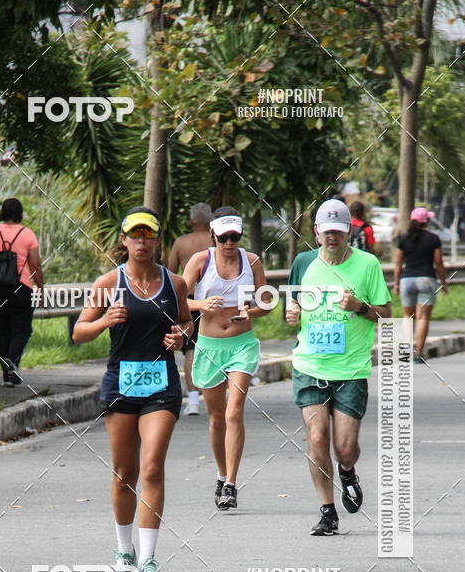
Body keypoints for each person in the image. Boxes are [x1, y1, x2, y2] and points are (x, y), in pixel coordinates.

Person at [73, 207, 192, 572]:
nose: (141, 241)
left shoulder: (174, 283)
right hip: (120, 386)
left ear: (157, 239)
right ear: (123, 240)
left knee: (152, 467)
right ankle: (124, 553)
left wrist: (182, 336)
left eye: (148, 235)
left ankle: (148, 561)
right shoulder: (109, 283)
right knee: (124, 473)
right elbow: (79, 332)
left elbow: (187, 322)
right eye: (135, 235)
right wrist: (104, 321)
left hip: (161, 387)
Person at [286, 198, 392, 536]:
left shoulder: (367, 264)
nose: (332, 237)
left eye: (339, 232)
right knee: (317, 437)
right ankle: (327, 511)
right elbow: (293, 303)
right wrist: (292, 314)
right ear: (316, 232)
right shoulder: (303, 262)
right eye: (327, 231)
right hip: (310, 365)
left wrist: (360, 306)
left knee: (344, 449)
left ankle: (347, 471)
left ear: (348, 233)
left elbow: (386, 315)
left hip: (351, 370)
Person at [183, 206, 271, 510]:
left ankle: (231, 484)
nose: (230, 243)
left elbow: (267, 301)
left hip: (241, 345)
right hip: (209, 346)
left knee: (235, 412)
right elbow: (179, 299)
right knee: (217, 418)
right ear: (213, 235)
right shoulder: (200, 261)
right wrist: (201, 304)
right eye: (224, 237)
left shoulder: (252, 261)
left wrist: (251, 312)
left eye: (235, 236)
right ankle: (221, 475)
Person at [0, 198, 43, 386]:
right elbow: (35, 264)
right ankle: (11, 360)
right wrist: (41, 288)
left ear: (2, 212)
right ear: (20, 213)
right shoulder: (27, 234)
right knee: (23, 330)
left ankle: (8, 376)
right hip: (20, 289)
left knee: (2, 332)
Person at [167, 203, 212, 415]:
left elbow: (170, 273)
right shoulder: (216, 240)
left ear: (191, 222)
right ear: (211, 222)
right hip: (214, 300)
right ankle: (215, 397)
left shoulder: (181, 243)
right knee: (215, 347)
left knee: (191, 350)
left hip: (188, 300)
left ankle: (193, 400)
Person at [393, 207, 448, 363]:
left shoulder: (403, 239)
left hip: (407, 280)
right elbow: (438, 263)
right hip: (427, 280)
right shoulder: (434, 238)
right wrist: (444, 283)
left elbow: (398, 264)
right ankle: (418, 354)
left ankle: (405, 353)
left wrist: (396, 284)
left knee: (407, 316)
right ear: (427, 221)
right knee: (423, 317)